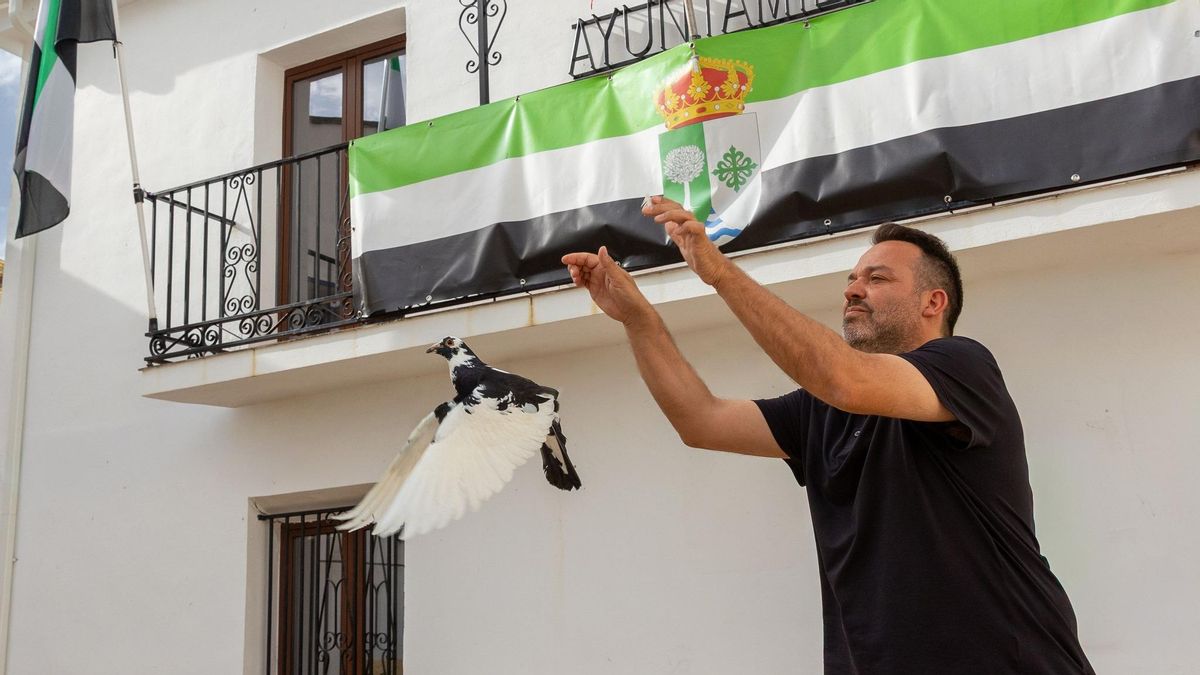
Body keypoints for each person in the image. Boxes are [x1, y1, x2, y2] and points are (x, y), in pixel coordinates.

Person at [561, 197, 1094, 674]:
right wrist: (637, 319)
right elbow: (701, 420)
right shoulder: (821, 411)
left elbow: (843, 377)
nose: (853, 290)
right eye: (852, 278)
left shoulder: (963, 366)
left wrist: (718, 272)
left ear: (934, 303)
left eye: (878, 279)